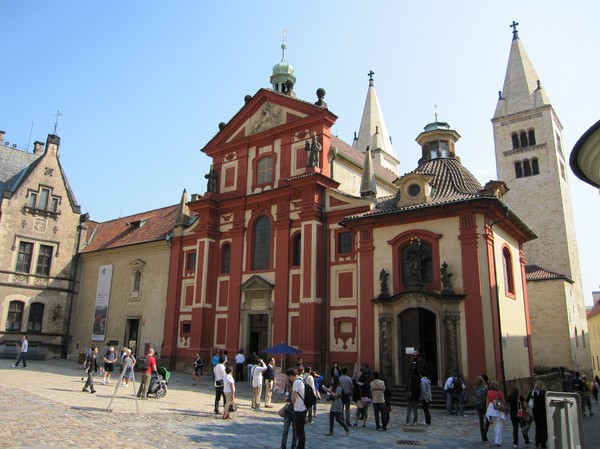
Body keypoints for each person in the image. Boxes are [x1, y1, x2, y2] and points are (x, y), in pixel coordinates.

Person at [485, 380, 507, 447]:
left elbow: (487, 402)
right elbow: (504, 402)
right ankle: (498, 441)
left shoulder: (488, 393)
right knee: (499, 425)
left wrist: (487, 410)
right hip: (498, 409)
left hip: (491, 409)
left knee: (495, 425)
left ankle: (496, 440)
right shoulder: (500, 393)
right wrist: (505, 408)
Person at [526, 380, 547, 448]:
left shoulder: (533, 392)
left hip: (535, 412)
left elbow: (527, 399)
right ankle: (543, 443)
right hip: (543, 412)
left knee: (537, 427)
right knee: (543, 427)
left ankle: (537, 442)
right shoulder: (544, 393)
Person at [290, 367, 308, 449]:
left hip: (298, 409)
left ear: (291, 376)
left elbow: (293, 397)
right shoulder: (302, 380)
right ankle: (301, 446)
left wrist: (292, 404)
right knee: (301, 430)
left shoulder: (296, 382)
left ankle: (300, 447)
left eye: (289, 377)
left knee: (298, 430)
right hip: (304, 408)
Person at [280, 372, 297, 449]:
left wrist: (290, 398)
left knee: (295, 431)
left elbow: (295, 398)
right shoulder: (288, 384)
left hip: (296, 411)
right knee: (285, 430)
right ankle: (283, 446)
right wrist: (287, 397)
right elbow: (287, 394)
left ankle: (293, 446)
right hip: (289, 410)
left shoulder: (298, 384)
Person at [474, 375, 490, 442]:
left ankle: (483, 435)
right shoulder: (484, 387)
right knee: (488, 419)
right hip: (483, 405)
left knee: (481, 420)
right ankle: (484, 434)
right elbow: (486, 396)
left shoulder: (475, 388)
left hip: (477, 405)